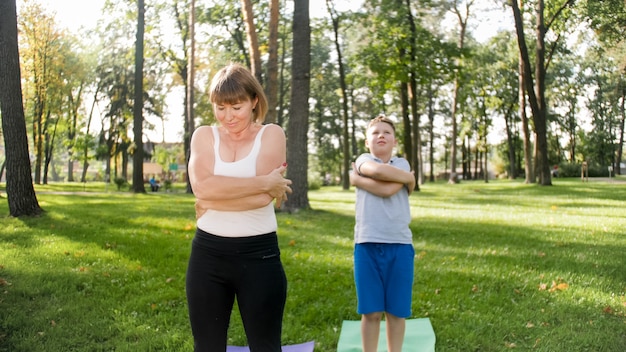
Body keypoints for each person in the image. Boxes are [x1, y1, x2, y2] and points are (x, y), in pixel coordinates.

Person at [186, 63, 292, 352]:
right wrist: (262, 183)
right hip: (207, 256)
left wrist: (212, 196)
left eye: (236, 106)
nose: (228, 116)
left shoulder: (271, 134)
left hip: (259, 256)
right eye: (221, 107)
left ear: (254, 101)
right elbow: (202, 188)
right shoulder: (204, 136)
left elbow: (261, 200)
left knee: (265, 347)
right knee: (206, 346)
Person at [349, 115, 415, 352]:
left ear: (394, 141)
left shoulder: (402, 164)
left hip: (399, 245)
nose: (381, 136)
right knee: (371, 311)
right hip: (366, 245)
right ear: (367, 142)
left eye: (386, 132)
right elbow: (375, 171)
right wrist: (409, 179)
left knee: (397, 312)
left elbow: (388, 190)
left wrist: (358, 181)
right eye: (375, 132)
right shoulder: (363, 160)